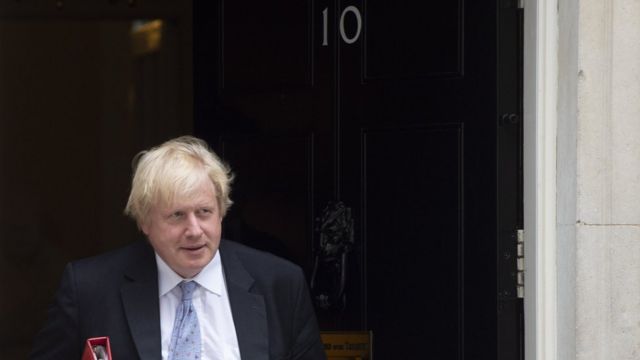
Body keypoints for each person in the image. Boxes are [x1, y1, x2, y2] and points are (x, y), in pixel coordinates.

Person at [30, 136, 326, 359]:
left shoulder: (280, 284)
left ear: (222, 211)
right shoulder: (89, 289)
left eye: (205, 212)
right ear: (144, 221)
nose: (194, 231)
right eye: (177, 216)